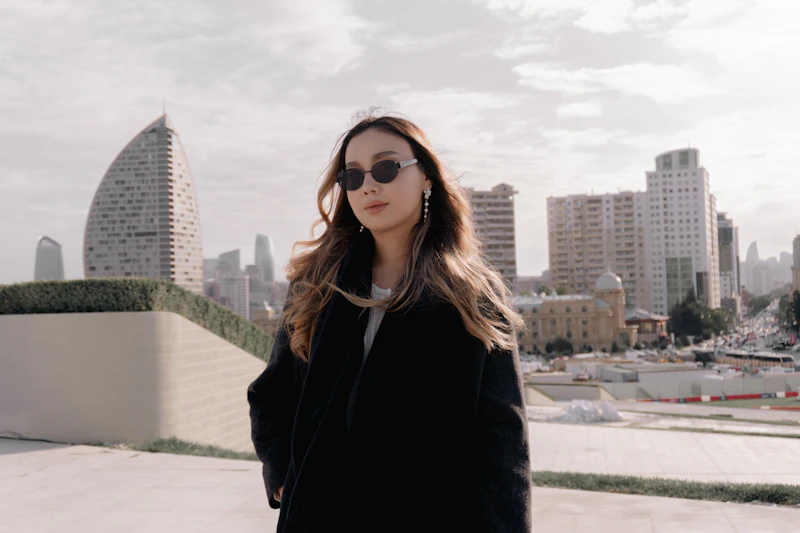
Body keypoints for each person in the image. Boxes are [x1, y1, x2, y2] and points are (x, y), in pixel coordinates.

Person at [247, 110, 532, 533]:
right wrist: (285, 481)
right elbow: (271, 395)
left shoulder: (472, 294)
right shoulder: (318, 284)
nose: (370, 185)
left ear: (427, 178)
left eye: (386, 167)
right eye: (353, 176)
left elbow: (503, 444)